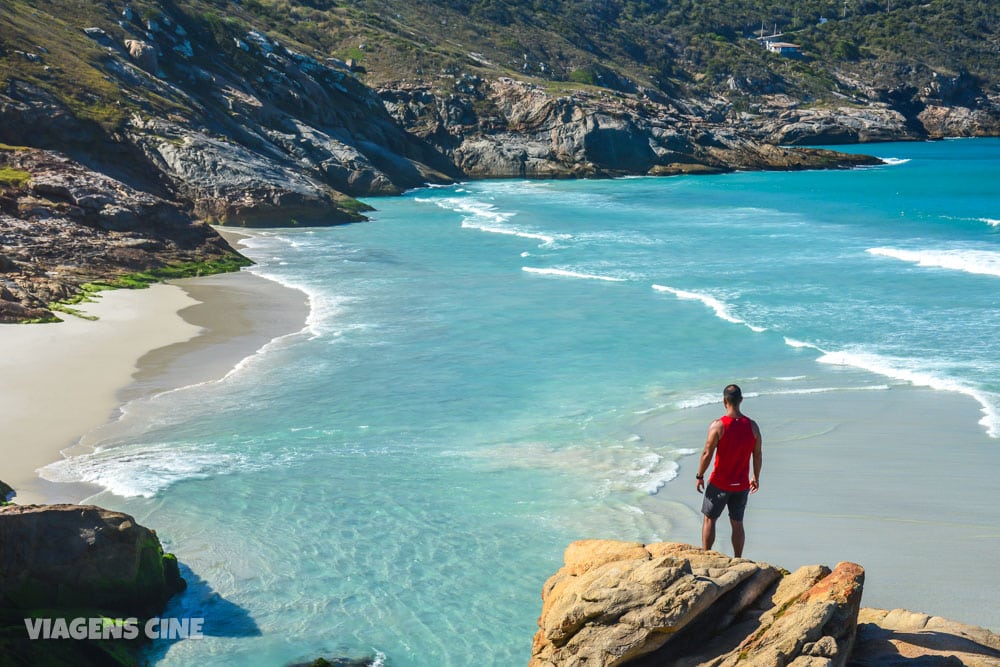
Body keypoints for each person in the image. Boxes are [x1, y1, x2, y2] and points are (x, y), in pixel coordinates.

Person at [694, 384, 762, 558]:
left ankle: (706, 556)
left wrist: (700, 475)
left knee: (710, 519)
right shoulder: (753, 426)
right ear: (741, 400)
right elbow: (757, 453)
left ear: (724, 401)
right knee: (737, 523)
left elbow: (707, 453)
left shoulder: (718, 426)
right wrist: (756, 476)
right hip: (741, 485)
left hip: (719, 483)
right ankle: (738, 558)